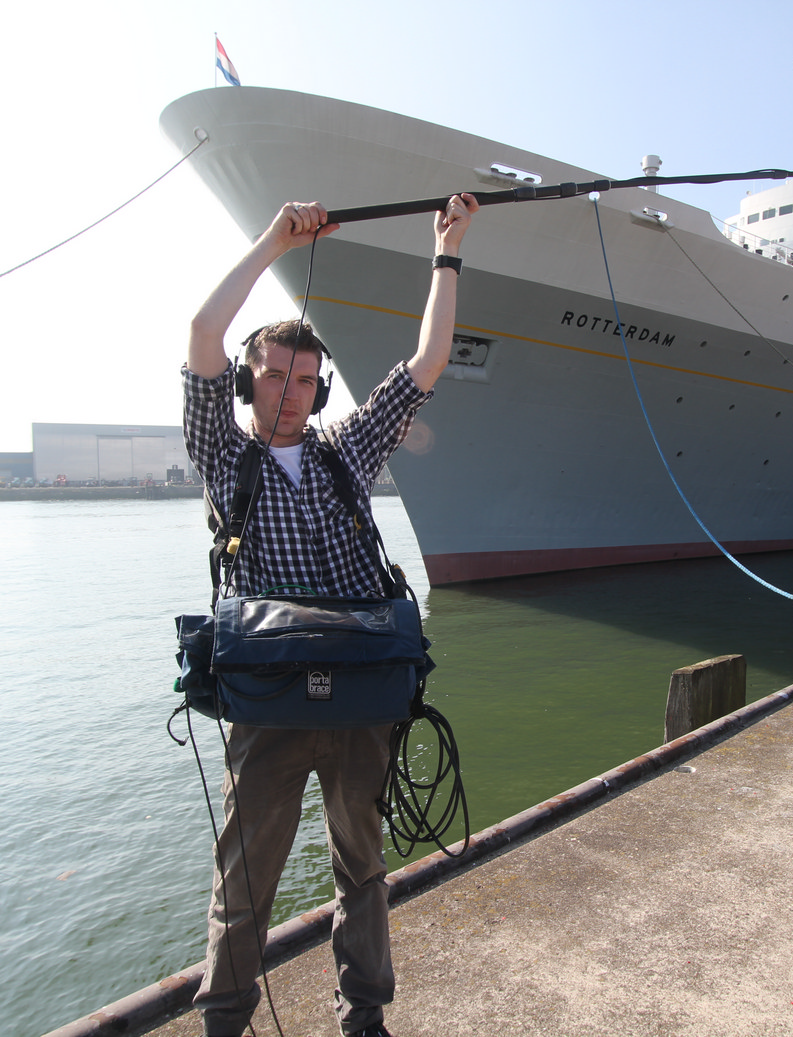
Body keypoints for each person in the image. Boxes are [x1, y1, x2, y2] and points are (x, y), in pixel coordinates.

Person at [182, 194, 478, 1037]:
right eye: (275, 375)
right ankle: (225, 1019)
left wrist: (446, 250)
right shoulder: (223, 455)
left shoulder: (345, 451)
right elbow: (202, 331)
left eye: (305, 380)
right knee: (245, 880)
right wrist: (273, 241)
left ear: (320, 392)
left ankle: (364, 1016)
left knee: (363, 867)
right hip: (270, 703)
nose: (290, 392)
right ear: (249, 381)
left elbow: (427, 361)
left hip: (358, 699)